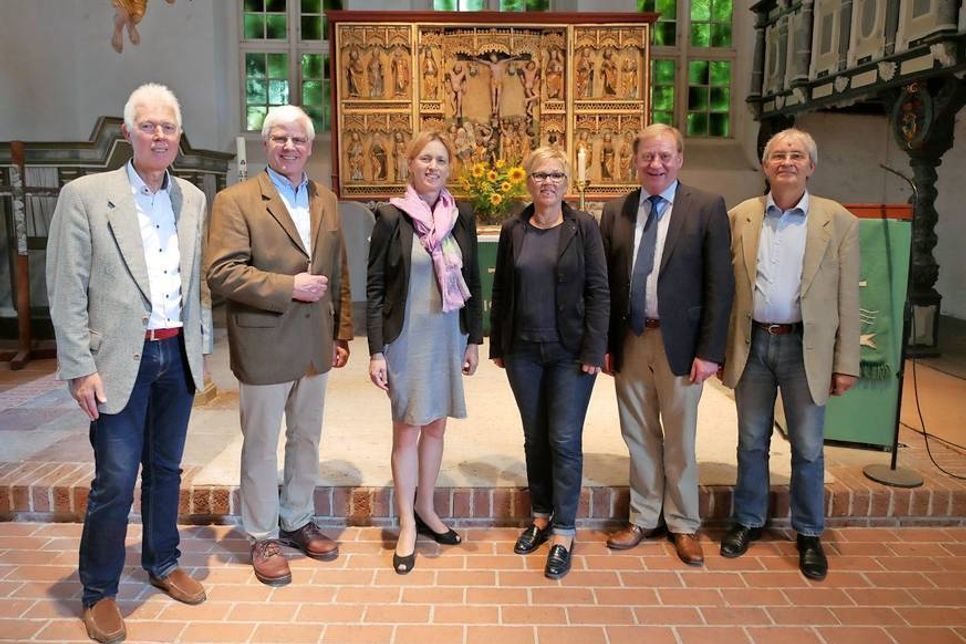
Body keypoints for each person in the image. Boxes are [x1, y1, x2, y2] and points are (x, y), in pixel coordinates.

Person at [46, 82, 210, 643]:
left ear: (179, 137)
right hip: (118, 357)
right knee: (115, 478)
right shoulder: (87, 195)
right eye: (149, 125)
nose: (159, 135)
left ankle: (162, 561)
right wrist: (78, 365)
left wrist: (201, 346)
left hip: (176, 352)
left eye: (168, 126)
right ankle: (100, 591)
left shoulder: (191, 198)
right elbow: (66, 285)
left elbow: (192, 285)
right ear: (128, 132)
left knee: (166, 469)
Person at [207, 105, 353, 587]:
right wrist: (287, 286)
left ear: (310, 146)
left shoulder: (326, 199)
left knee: (306, 438)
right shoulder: (237, 200)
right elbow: (222, 273)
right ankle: (263, 535)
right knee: (263, 443)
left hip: (314, 342)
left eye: (298, 140)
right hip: (265, 341)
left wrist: (341, 333)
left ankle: (296, 519)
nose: (289, 147)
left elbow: (339, 272)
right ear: (264, 143)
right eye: (279, 138)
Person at [719, 128, 859, 581]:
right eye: (778, 155)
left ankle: (809, 531)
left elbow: (847, 301)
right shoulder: (740, 216)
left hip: (807, 347)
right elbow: (726, 290)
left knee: (808, 446)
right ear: (765, 166)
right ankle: (748, 519)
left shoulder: (837, 220)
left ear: (810, 166)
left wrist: (846, 362)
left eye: (797, 155)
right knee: (752, 441)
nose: (787, 162)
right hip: (754, 342)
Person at [600, 124, 734, 566]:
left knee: (680, 438)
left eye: (664, 156)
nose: (655, 164)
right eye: (647, 156)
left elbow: (720, 284)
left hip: (681, 341)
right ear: (635, 160)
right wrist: (603, 342)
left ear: (679, 159)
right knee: (637, 434)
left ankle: (682, 523)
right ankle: (643, 516)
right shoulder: (615, 209)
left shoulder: (707, 207)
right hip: (632, 337)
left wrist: (711, 350)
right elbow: (605, 285)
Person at [490, 147, 609, 580]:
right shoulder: (513, 228)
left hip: (569, 352)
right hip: (523, 350)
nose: (548, 182)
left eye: (557, 174)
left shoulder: (584, 228)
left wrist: (594, 349)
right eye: (540, 174)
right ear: (529, 181)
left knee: (563, 438)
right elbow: (502, 289)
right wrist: (498, 344)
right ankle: (540, 515)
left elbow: (600, 291)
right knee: (534, 438)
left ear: (567, 182)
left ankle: (564, 529)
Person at [367, 131, 483, 575]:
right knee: (406, 432)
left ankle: (427, 510)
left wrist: (474, 339)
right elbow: (375, 285)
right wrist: (376, 351)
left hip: (447, 335)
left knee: (436, 427)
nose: (433, 167)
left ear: (448, 168)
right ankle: (405, 525)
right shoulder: (391, 217)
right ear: (410, 163)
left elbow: (472, 277)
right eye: (425, 159)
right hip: (406, 338)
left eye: (440, 160)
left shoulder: (461, 216)